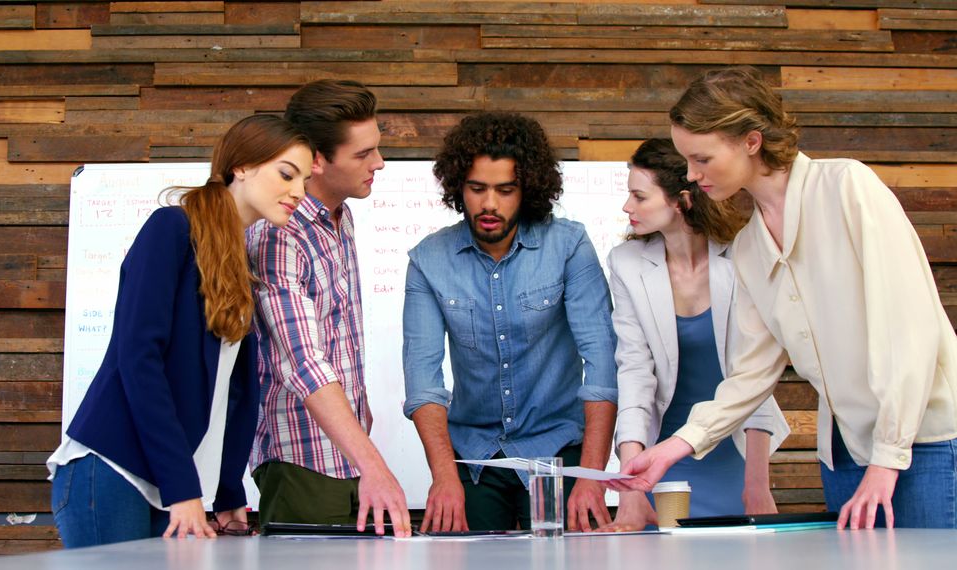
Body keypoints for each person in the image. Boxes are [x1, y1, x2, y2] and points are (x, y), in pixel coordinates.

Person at [606, 67, 957, 530]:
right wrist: (673, 447)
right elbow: (751, 372)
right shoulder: (750, 246)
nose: (691, 175)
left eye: (702, 158)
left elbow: (911, 333)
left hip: (923, 443)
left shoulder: (849, 187)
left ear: (751, 141)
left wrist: (886, 462)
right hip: (844, 454)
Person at [47, 114, 313, 547]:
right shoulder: (170, 228)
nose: (298, 192)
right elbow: (139, 359)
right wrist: (183, 488)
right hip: (113, 470)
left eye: (303, 179)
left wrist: (228, 491)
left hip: (167, 484)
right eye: (287, 174)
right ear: (241, 166)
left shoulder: (238, 261)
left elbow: (234, 395)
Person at [403, 111, 619, 533]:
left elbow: (602, 365)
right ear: (457, 186)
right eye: (477, 188)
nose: (489, 204)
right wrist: (444, 477)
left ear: (528, 189)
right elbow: (423, 381)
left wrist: (593, 478)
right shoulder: (427, 260)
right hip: (473, 455)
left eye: (505, 190)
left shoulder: (569, 245)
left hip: (558, 451)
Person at [247, 79, 411, 537]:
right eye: (363, 154)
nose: (378, 163)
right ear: (316, 160)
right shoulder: (279, 234)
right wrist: (375, 463)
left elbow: (336, 335)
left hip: (345, 454)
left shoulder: (341, 217)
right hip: (301, 459)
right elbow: (302, 362)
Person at [602, 139, 790, 531]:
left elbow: (753, 376)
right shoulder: (626, 264)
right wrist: (632, 490)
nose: (627, 208)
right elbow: (634, 373)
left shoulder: (743, 254)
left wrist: (756, 485)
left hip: (735, 453)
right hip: (661, 458)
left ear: (682, 200)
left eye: (639, 196)